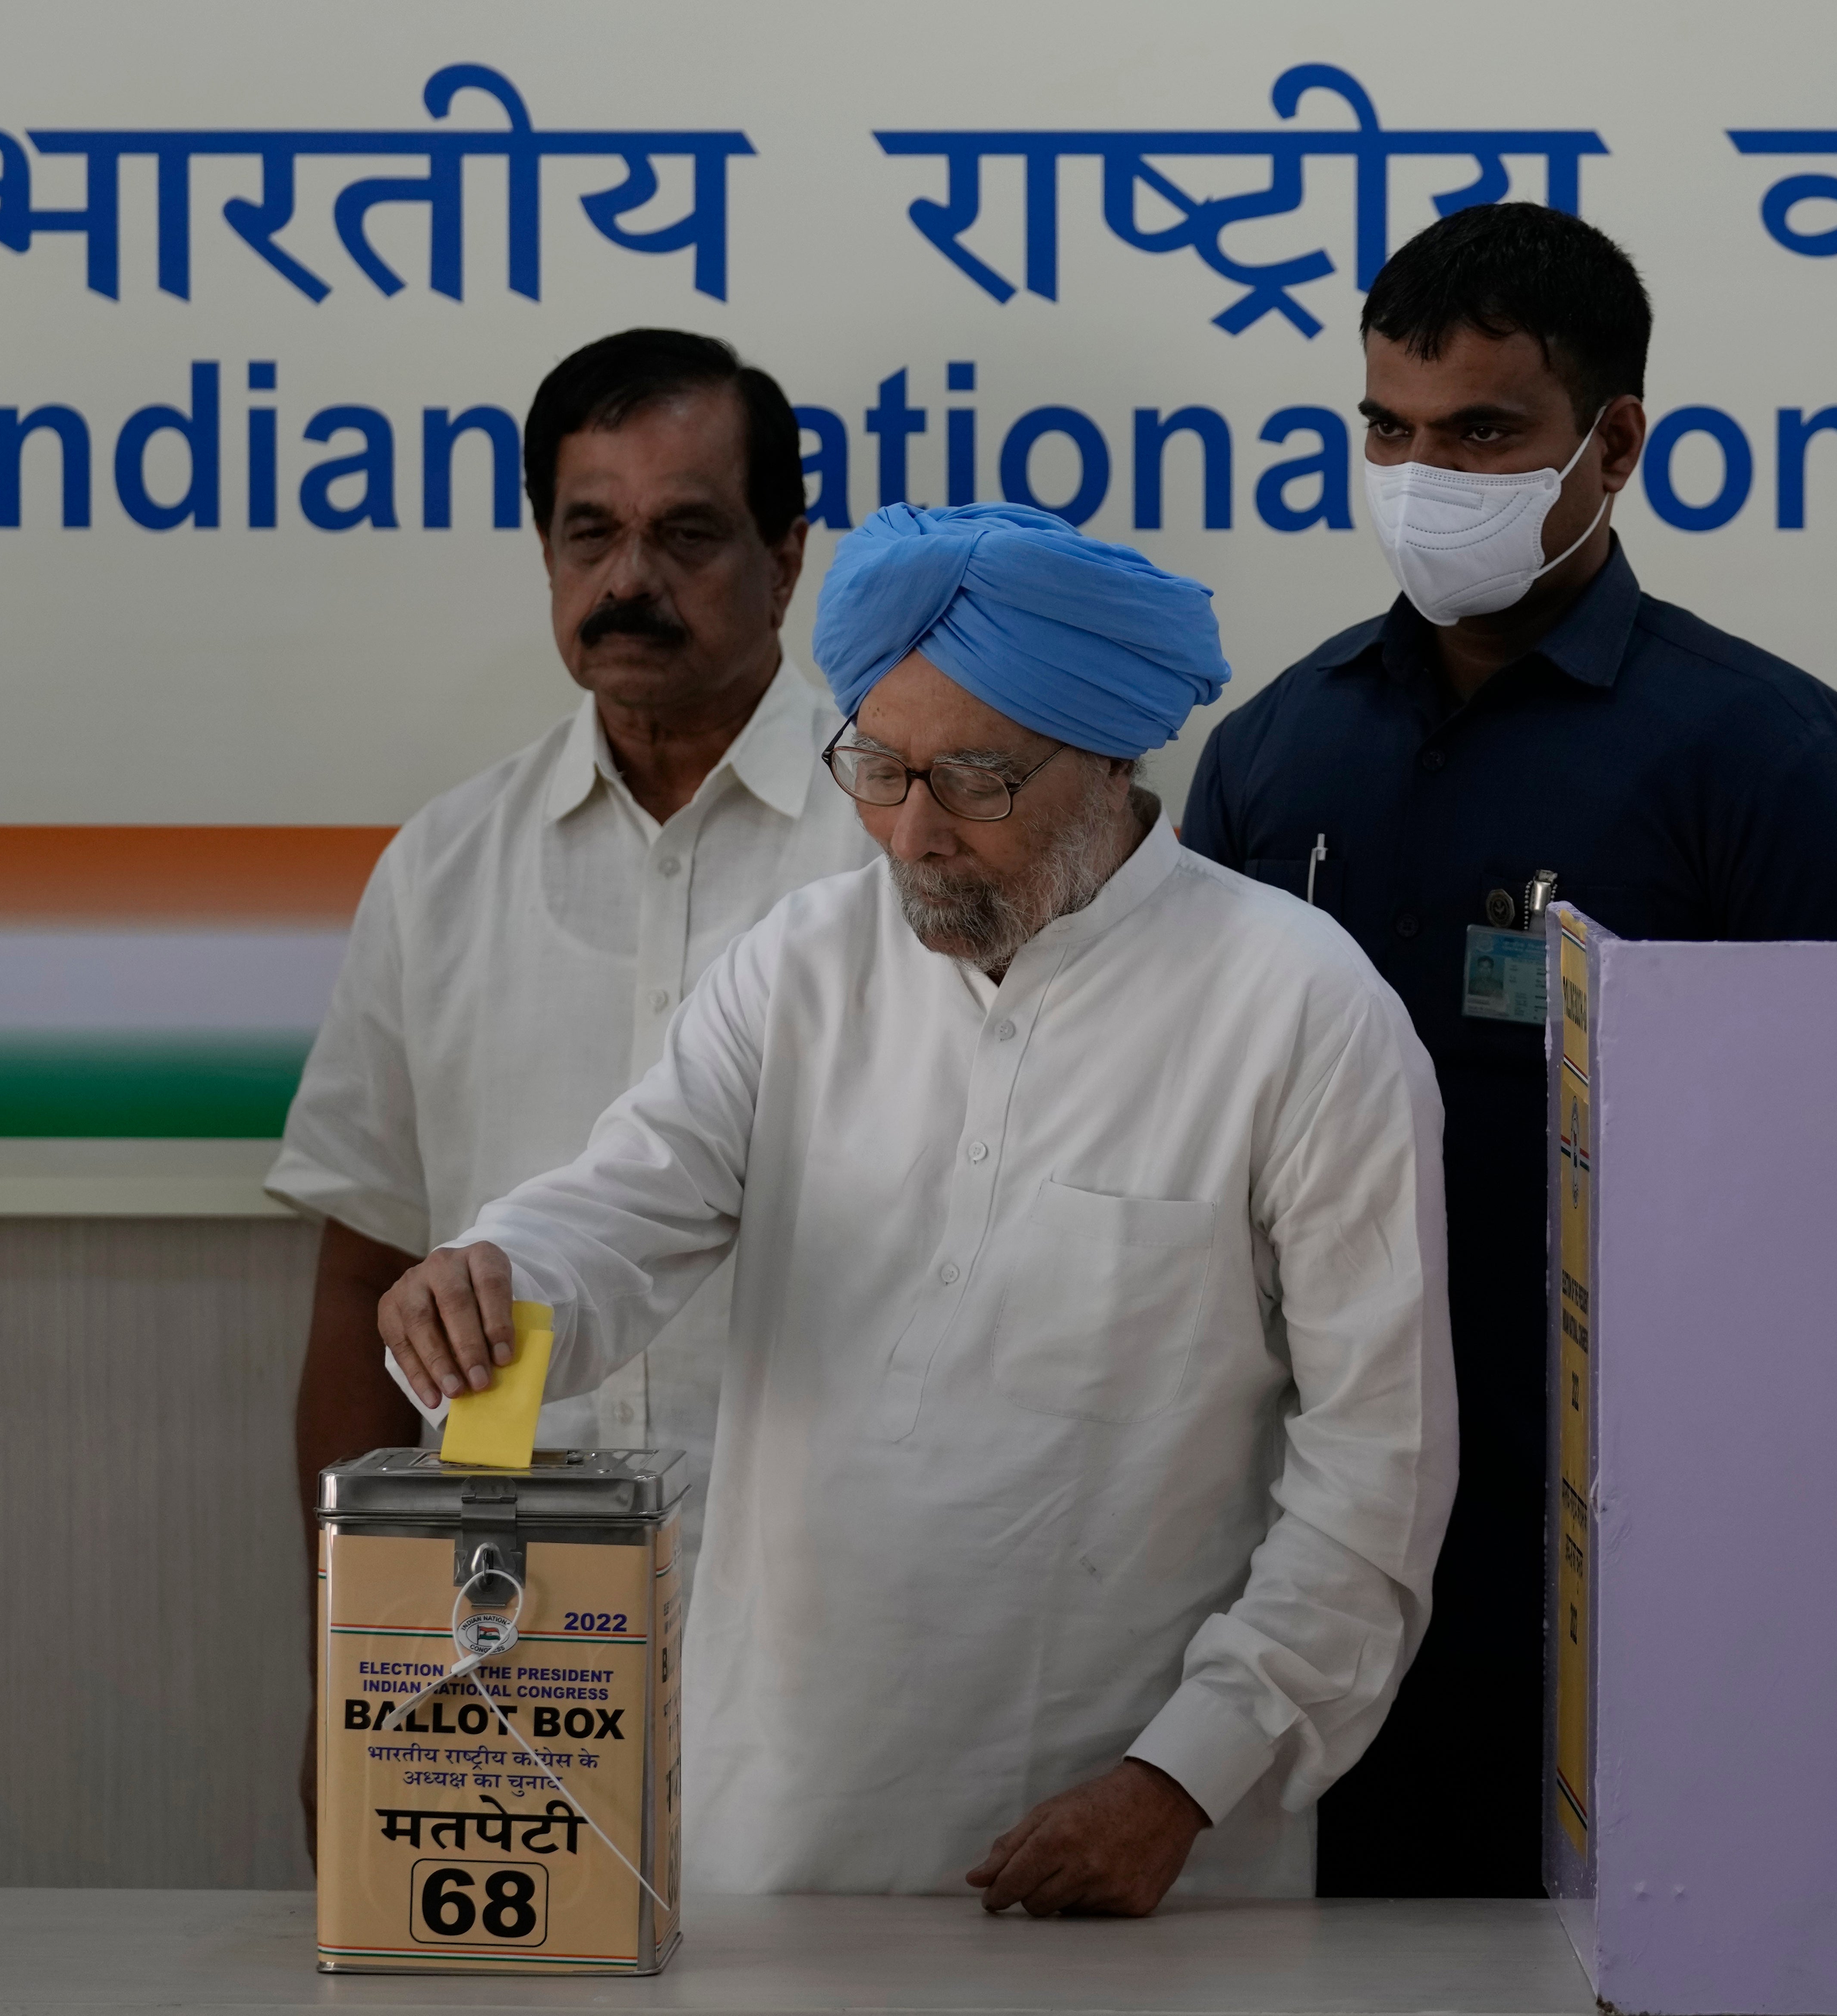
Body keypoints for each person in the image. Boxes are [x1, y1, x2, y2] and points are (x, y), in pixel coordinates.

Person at [378, 502, 1459, 1910]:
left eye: (978, 782)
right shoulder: (807, 965)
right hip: (786, 1817)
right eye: (878, 768)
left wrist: (1185, 1776)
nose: (913, 833)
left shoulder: (1303, 1011)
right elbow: (626, 1205)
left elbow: (1378, 1472)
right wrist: (498, 1280)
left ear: (1111, 759)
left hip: (1137, 1844)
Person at [1181, 202, 1837, 1897]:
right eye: (1389, 428)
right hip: (1312, 1545)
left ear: (1616, 443)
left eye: (1484, 434)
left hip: (1637, 1547)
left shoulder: (1762, 753)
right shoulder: (1274, 750)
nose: (1423, 473)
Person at [273, 328, 877, 1566]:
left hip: (835, 1621)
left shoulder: (900, 851)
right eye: (589, 533)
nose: (628, 580)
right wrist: (344, 1656)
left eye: (687, 534)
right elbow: (362, 1289)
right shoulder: (443, 873)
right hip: (508, 1632)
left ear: (785, 556)